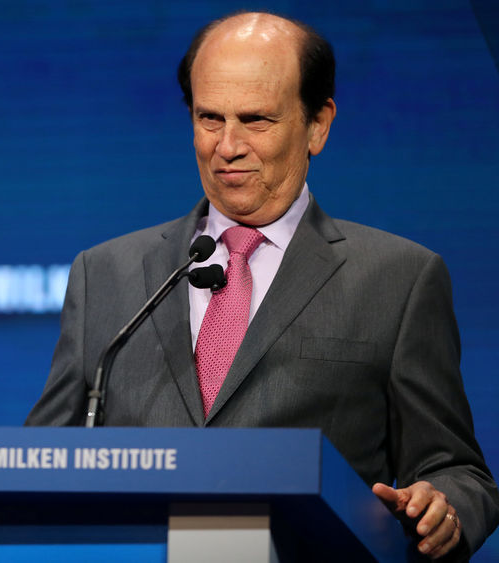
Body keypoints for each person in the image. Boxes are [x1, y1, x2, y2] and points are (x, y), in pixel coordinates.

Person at [26, 11, 499, 560]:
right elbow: (42, 458)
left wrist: (444, 506)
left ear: (318, 124)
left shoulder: (398, 280)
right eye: (209, 118)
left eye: (255, 120)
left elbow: (458, 470)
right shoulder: (106, 273)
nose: (227, 146)